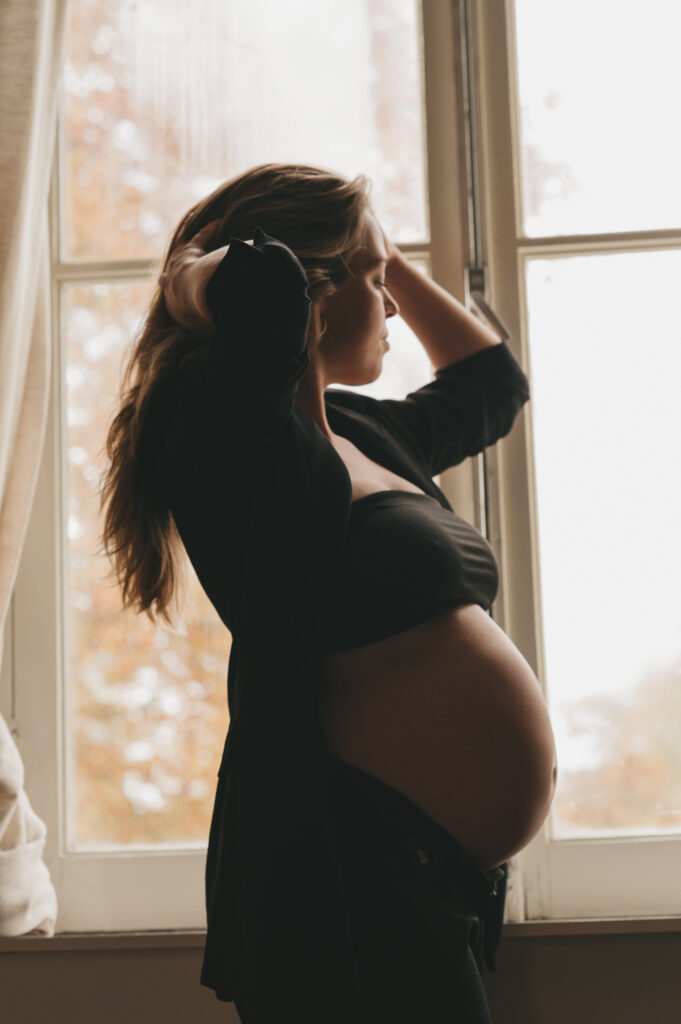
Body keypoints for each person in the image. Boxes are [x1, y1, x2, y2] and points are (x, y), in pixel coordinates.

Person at [99, 162, 558, 1023]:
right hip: (335, 888)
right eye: (375, 281)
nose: (389, 306)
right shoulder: (219, 436)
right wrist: (185, 279)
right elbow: (259, 284)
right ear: (312, 286)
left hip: (413, 886)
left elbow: (491, 385)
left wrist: (374, 247)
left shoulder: (362, 431)